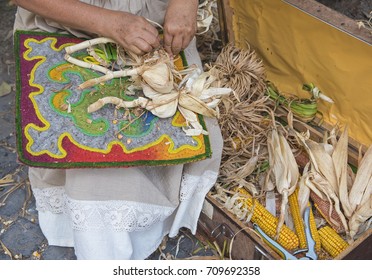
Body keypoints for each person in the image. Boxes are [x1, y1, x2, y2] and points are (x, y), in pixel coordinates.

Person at [13, 0, 223, 259]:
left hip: (153, 23)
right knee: (94, 162)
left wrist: (185, 4)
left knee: (193, 133)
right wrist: (107, 22)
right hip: (70, 23)